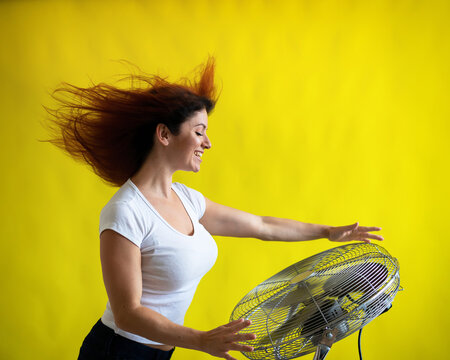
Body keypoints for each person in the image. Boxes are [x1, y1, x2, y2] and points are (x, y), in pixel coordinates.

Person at [43, 57, 383, 360]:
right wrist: (202, 340)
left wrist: (327, 232)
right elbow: (128, 312)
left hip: (161, 352)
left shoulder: (188, 199)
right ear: (164, 134)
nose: (208, 143)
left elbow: (261, 226)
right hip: (117, 350)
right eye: (199, 131)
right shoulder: (125, 211)